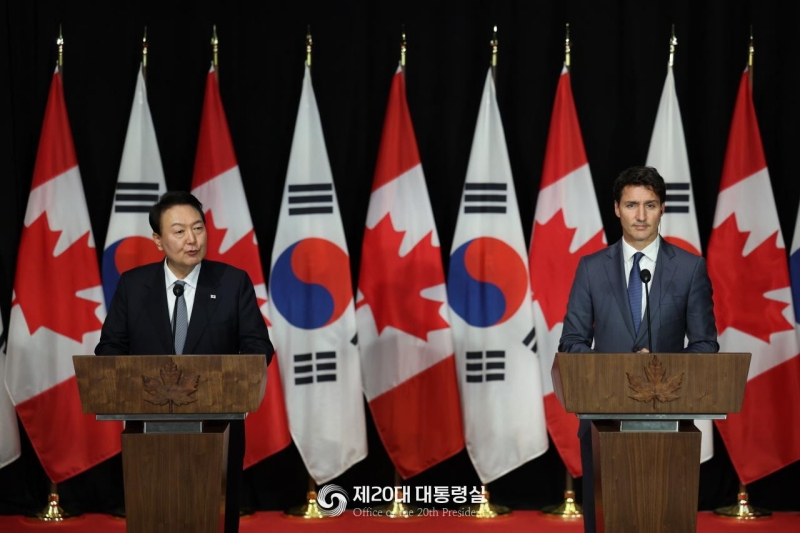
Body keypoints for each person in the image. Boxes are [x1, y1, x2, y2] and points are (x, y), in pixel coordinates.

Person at [96, 191, 273, 533]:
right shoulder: (133, 285)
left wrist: (227, 378)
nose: (192, 240)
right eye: (179, 231)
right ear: (158, 239)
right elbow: (110, 350)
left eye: (198, 228)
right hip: (149, 434)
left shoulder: (232, 282)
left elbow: (258, 346)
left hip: (217, 427)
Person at [558, 166, 718, 533]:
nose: (641, 215)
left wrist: (661, 368)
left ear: (663, 208)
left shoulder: (691, 269)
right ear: (616, 208)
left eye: (650, 205)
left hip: (667, 420)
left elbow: (705, 345)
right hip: (602, 419)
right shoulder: (591, 268)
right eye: (632, 205)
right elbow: (571, 342)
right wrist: (617, 369)